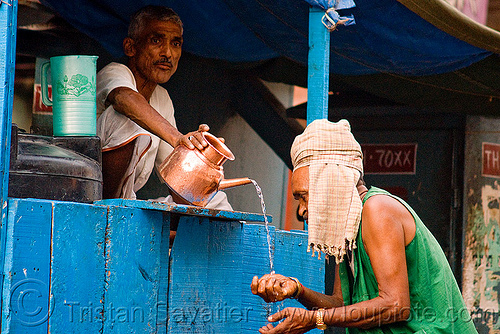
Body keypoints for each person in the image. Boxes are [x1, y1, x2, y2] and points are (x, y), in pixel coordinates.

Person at [251, 119, 477, 333]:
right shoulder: (348, 229)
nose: (301, 211)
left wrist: (315, 319)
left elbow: (395, 305)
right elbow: (341, 306)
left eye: (304, 196)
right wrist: (297, 290)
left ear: (331, 181)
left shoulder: (377, 209)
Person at [96, 6, 231, 210]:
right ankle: (107, 211)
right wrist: (178, 138)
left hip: (128, 204)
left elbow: (176, 176)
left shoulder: (163, 99)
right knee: (127, 117)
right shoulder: (114, 73)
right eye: (156, 41)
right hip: (92, 199)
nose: (168, 53)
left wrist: (202, 162)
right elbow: (126, 100)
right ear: (131, 47)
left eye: (175, 44)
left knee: (216, 200)